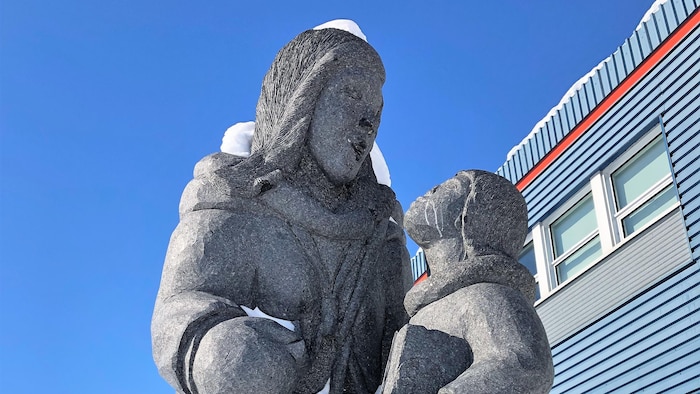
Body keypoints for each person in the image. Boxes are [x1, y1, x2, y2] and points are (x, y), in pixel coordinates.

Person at [151, 26, 411, 394]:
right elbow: (179, 309)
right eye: (353, 95)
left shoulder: (380, 237)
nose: (368, 123)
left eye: (377, 112)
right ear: (303, 96)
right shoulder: (233, 206)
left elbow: (401, 339)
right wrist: (216, 350)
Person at [383, 170, 553, 394]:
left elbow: (524, 364)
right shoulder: (421, 313)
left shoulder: (487, 296)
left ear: (469, 216)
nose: (432, 189)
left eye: (450, 187)